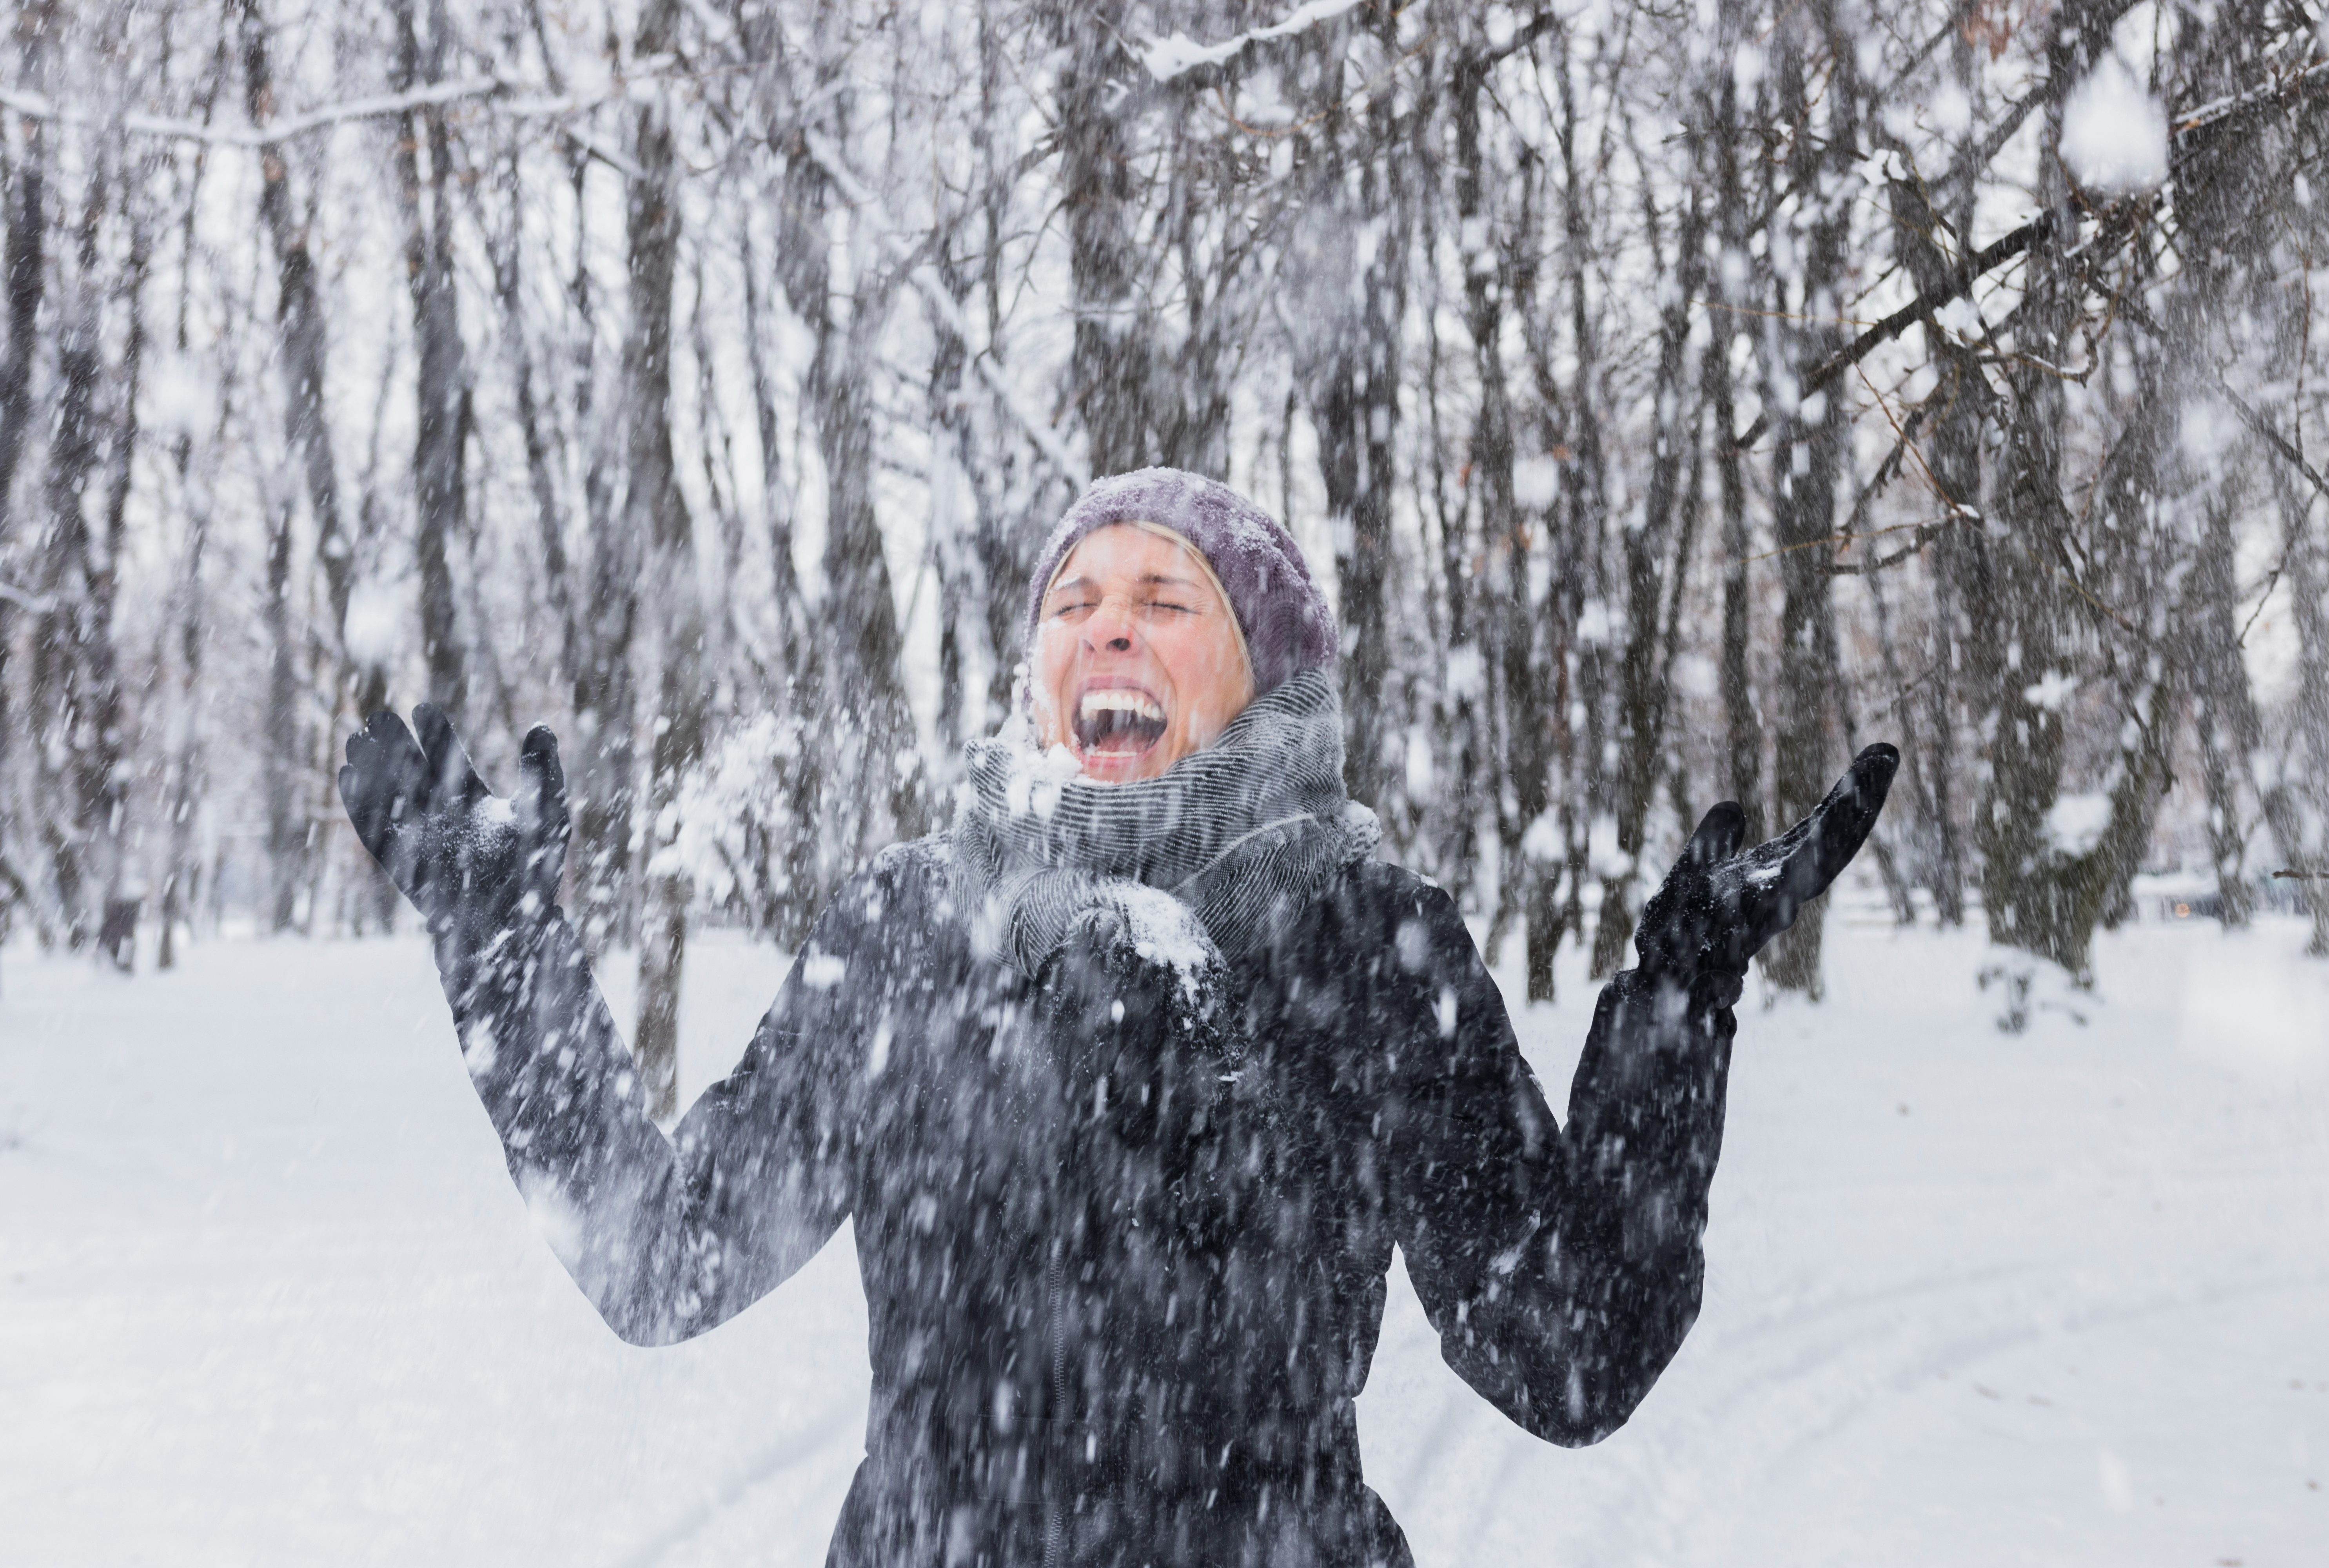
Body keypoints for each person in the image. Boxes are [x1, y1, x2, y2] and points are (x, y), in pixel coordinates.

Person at [339, 467, 1896, 1568]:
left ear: (1262, 668)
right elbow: (658, 1256)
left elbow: (1567, 1352)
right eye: (1073, 601)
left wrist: (1683, 998)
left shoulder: (1360, 939)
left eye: (1167, 597)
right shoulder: (909, 933)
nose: (1108, 627)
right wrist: (499, 939)